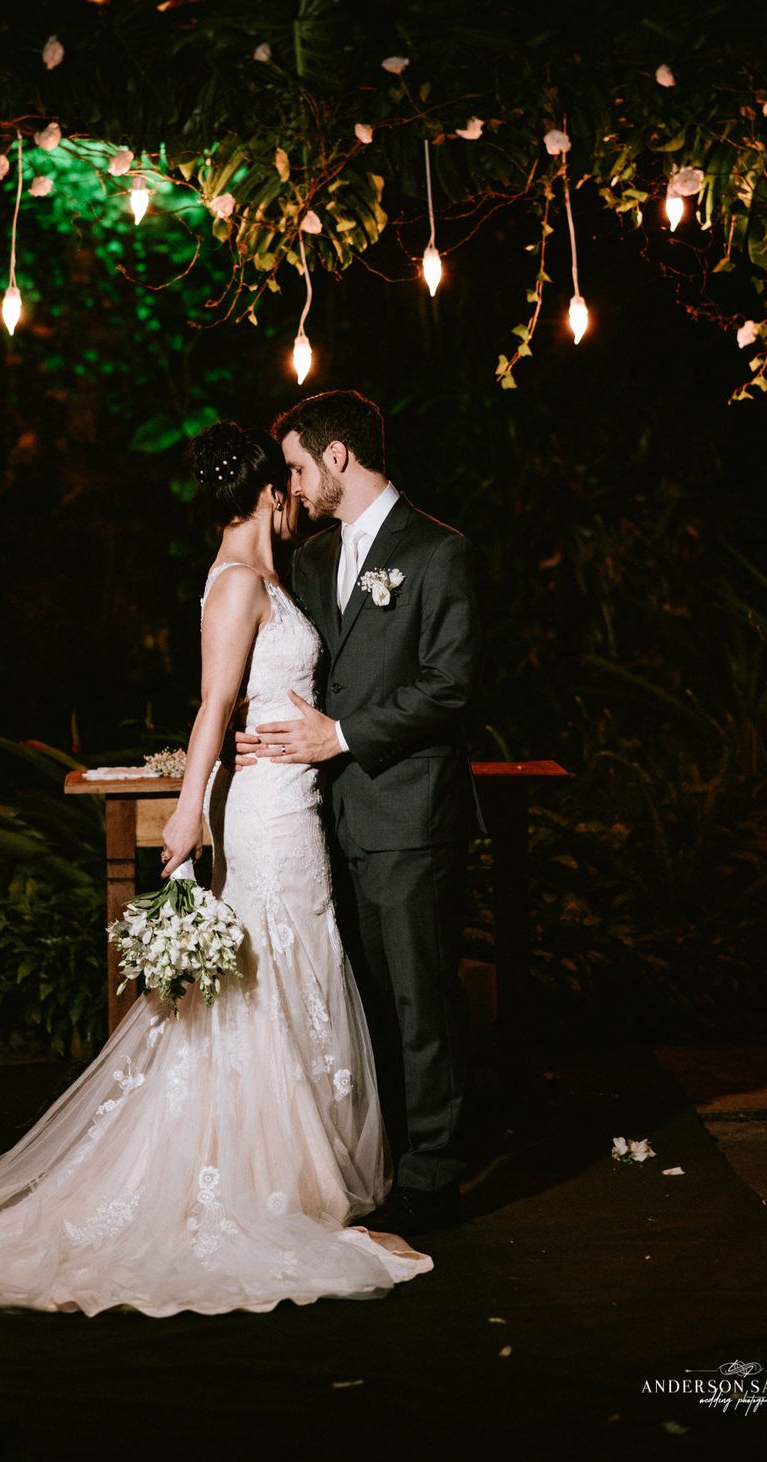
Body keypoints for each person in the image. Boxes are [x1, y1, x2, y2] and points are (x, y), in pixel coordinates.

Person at [0, 421, 429, 1316]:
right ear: (267, 494)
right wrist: (187, 812)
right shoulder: (234, 584)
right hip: (261, 813)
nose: (298, 496)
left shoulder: (267, 577)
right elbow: (213, 706)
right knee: (267, 969)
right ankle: (255, 1181)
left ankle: (286, 1169)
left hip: (294, 800)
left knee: (294, 963)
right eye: (287, 484)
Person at [237, 390, 482, 1236]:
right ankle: (377, 1158)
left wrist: (340, 734)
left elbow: (450, 685)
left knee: (422, 1002)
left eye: (300, 467)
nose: (294, 486)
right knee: (359, 1003)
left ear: (338, 458)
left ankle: (435, 1170)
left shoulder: (439, 553)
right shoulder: (308, 564)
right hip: (318, 821)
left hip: (408, 813)